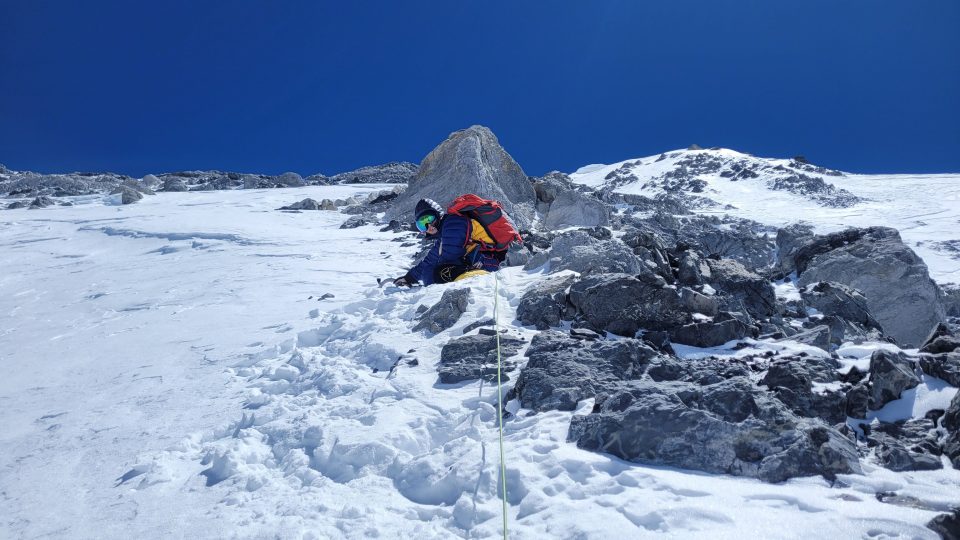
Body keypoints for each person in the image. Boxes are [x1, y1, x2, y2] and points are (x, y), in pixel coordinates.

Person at [393, 198, 505, 286]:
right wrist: (409, 278)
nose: (429, 227)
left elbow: (451, 255)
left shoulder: (453, 223)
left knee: (434, 272)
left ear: (438, 214)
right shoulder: (445, 233)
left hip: (491, 259)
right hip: (482, 257)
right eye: (422, 225)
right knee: (431, 270)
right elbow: (430, 259)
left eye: (429, 219)